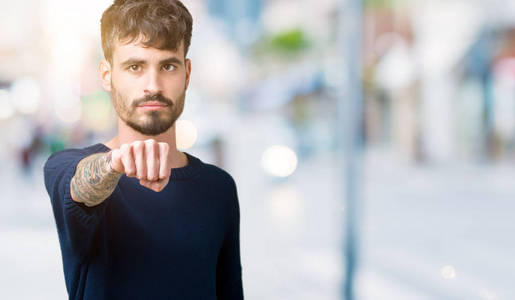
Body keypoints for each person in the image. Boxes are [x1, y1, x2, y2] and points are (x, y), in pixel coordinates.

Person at [42, 0, 244, 299]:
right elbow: (79, 188)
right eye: (135, 66)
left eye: (168, 65)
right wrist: (116, 164)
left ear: (187, 73)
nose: (153, 84)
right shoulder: (66, 165)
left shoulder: (219, 188)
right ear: (107, 75)